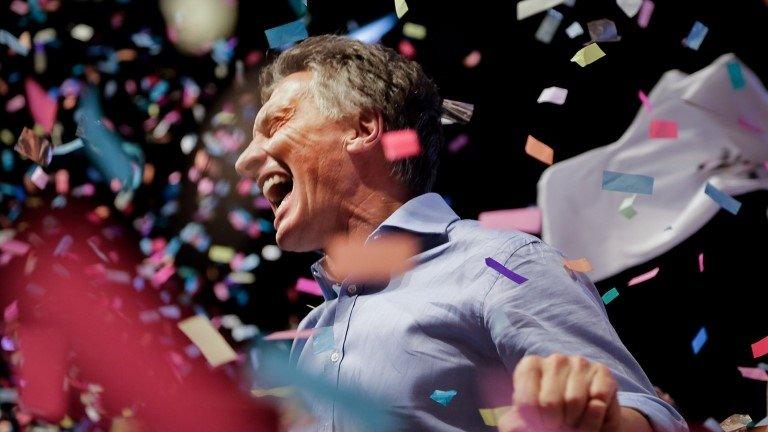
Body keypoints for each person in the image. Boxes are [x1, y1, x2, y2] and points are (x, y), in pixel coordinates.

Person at [235, 35, 688, 432]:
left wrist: (599, 419)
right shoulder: (314, 331)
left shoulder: (500, 264)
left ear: (363, 128)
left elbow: (641, 411)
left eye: (277, 124)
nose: (246, 160)